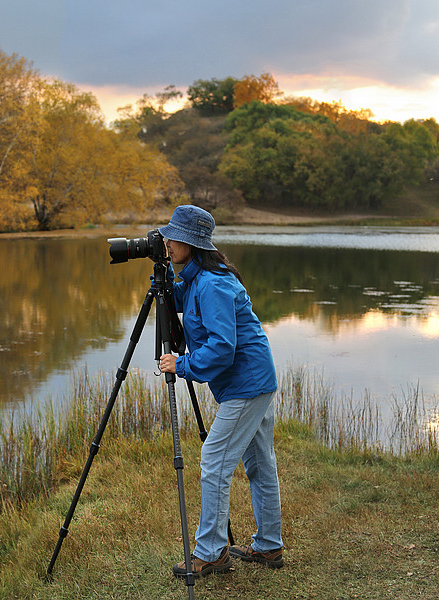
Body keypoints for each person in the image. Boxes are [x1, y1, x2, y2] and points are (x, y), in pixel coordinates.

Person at [156, 204, 284, 578]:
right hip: (255, 380)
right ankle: (269, 547)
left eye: (172, 236)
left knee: (214, 462)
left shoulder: (212, 284)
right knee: (260, 465)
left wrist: (180, 365)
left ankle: (211, 552)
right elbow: (180, 300)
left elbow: (222, 348)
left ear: (190, 242)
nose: (166, 240)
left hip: (247, 385)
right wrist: (163, 283)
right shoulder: (198, 278)